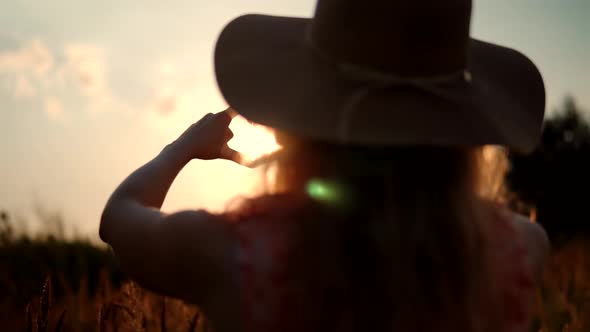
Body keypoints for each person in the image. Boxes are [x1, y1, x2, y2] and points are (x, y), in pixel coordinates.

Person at [99, 0, 550, 331]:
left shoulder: (232, 253)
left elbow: (119, 216)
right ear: (459, 129)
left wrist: (182, 147)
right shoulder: (520, 251)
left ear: (297, 121)